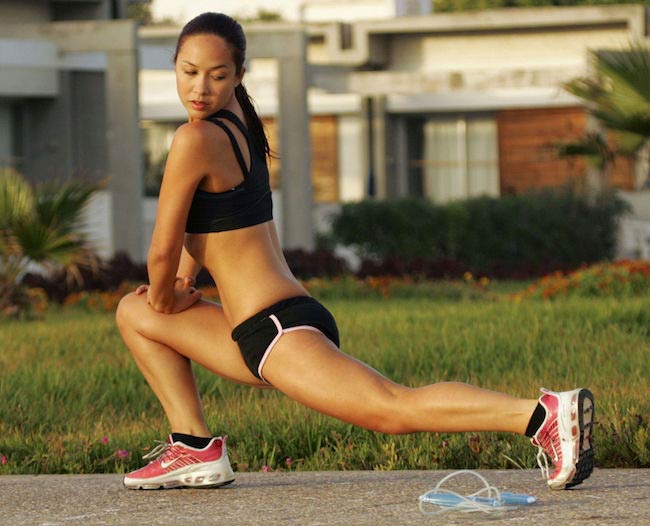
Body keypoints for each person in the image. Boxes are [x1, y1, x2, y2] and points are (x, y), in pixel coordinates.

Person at [115, 12, 594, 492]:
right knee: (133, 312)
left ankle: (542, 415)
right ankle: (194, 448)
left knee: (392, 407)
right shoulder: (239, 125)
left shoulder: (193, 137)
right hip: (268, 324)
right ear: (174, 65)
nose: (200, 87)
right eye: (189, 72)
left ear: (239, 75)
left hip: (275, 332)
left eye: (218, 76)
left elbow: (161, 248)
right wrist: (179, 284)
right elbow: (216, 224)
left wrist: (166, 295)